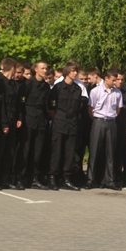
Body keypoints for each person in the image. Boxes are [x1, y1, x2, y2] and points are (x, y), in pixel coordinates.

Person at [49, 63, 84, 191]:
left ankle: (66, 178)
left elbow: (78, 108)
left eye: (76, 71)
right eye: (73, 71)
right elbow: (52, 107)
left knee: (69, 153)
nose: (75, 73)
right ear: (67, 72)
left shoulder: (77, 89)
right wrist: (57, 119)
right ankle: (53, 177)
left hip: (72, 124)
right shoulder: (58, 88)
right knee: (57, 151)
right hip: (60, 123)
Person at [86, 68, 123, 190]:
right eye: (113, 80)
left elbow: (118, 109)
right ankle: (91, 179)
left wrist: (111, 118)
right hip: (98, 121)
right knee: (95, 151)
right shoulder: (95, 91)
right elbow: (91, 108)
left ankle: (110, 180)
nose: (115, 82)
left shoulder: (117, 93)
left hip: (111, 122)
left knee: (111, 152)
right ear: (106, 78)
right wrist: (97, 120)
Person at [21, 61, 51, 189]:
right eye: (42, 68)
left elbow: (45, 105)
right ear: (36, 70)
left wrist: (47, 118)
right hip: (28, 119)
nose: (45, 71)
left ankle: (35, 178)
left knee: (37, 151)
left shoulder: (46, 86)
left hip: (40, 120)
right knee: (26, 150)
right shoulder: (28, 84)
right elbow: (22, 103)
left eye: (46, 68)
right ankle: (22, 177)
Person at [0, 58, 23, 190]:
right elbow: (1, 106)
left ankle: (5, 178)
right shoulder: (0, 82)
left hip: (12, 120)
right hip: (2, 122)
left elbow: (15, 104)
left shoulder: (12, 83)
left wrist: (18, 118)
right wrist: (4, 123)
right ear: (12, 68)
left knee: (9, 152)